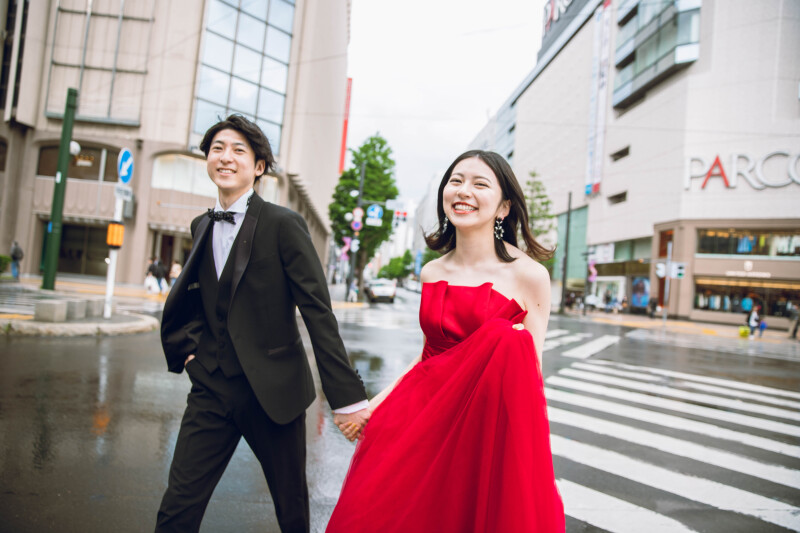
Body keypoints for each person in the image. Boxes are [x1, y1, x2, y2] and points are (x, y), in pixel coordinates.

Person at [327, 150, 565, 532]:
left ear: (504, 207)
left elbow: (530, 375)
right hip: (420, 421)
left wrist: (522, 460)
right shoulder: (432, 271)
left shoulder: (530, 276)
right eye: (455, 181)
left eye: (479, 183)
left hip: (482, 434)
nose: (463, 191)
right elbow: (427, 359)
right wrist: (375, 404)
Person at [156, 115, 369, 533]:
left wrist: (346, 397)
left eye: (238, 150)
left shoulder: (284, 224)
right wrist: (192, 352)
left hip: (274, 394)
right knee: (177, 509)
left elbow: (317, 311)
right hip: (212, 389)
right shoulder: (201, 224)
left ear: (258, 167)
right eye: (217, 148)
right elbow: (198, 300)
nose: (226, 157)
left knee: (292, 512)